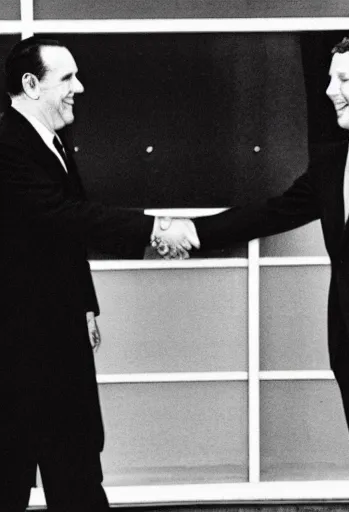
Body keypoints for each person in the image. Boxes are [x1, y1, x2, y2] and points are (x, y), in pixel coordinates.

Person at [174, 36, 349, 512]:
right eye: (329, 78)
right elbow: (272, 213)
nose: (330, 89)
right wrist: (193, 231)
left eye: (343, 79)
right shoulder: (332, 162)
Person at [0, 37, 198, 511]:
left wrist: (85, 305)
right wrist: (157, 228)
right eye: (67, 78)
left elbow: (67, 233)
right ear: (30, 85)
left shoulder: (51, 141)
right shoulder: (8, 145)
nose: (80, 88)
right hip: (20, 346)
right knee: (24, 468)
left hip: (54, 332)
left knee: (75, 467)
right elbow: (64, 216)